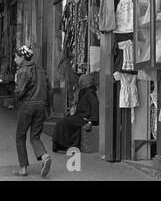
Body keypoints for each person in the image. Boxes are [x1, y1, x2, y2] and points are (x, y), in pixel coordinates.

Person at [13, 46, 53, 178]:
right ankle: (44, 156)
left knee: (20, 136)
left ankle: (23, 168)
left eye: (16, 57)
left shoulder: (23, 70)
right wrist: (49, 108)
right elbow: (50, 90)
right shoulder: (41, 70)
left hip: (28, 106)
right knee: (35, 136)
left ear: (22, 57)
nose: (15, 59)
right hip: (41, 106)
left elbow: (20, 92)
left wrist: (16, 95)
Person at [52, 74, 99, 153]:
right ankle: (63, 146)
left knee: (64, 122)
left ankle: (65, 146)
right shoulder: (83, 92)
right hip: (80, 116)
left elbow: (95, 106)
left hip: (85, 118)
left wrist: (91, 121)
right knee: (63, 122)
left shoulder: (90, 92)